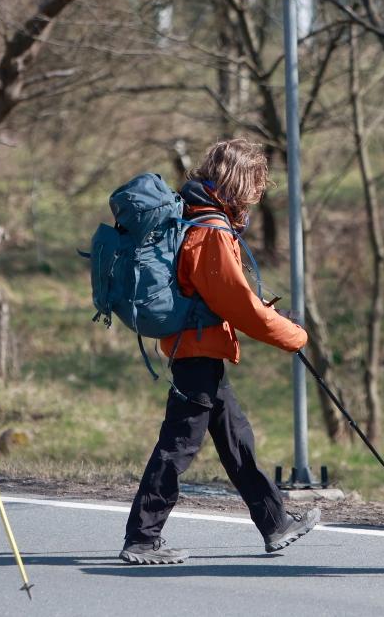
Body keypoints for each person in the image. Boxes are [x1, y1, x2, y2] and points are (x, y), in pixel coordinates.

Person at [120, 138, 319, 565]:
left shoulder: (200, 219)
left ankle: (274, 522)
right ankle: (142, 538)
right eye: (256, 183)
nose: (258, 193)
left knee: (236, 440)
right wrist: (293, 336)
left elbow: (225, 296)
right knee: (178, 445)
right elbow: (237, 305)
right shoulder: (210, 229)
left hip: (200, 346)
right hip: (197, 349)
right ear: (240, 182)